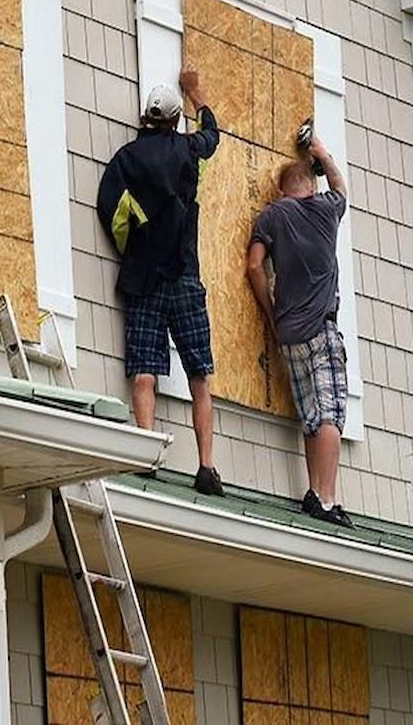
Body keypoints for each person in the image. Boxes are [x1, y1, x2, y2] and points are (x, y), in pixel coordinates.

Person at [95, 68, 226, 496]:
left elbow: (110, 212)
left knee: (144, 372)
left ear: (145, 119)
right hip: (185, 275)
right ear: (173, 121)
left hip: (144, 277)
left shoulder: (125, 160)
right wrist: (197, 93)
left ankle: (147, 457)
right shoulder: (190, 150)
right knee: (199, 376)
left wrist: (133, 245)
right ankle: (206, 468)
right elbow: (213, 135)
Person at [246, 133, 352, 526]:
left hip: (289, 332)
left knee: (310, 412)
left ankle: (313, 491)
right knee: (330, 413)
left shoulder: (272, 215)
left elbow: (255, 266)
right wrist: (321, 152)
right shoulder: (326, 209)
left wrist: (271, 313)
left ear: (282, 189)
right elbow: (341, 185)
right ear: (310, 187)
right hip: (321, 329)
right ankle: (325, 499)